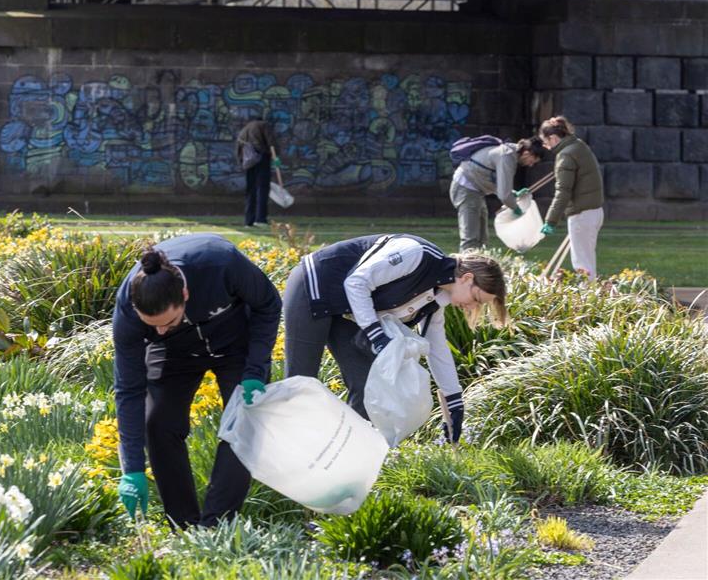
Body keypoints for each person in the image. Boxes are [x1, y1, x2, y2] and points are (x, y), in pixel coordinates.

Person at [112, 234, 281, 528]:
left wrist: (255, 370)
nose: (160, 331)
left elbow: (268, 303)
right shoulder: (129, 310)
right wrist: (133, 468)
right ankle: (184, 525)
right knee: (158, 422)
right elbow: (129, 389)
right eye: (153, 326)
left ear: (185, 296)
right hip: (175, 353)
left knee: (244, 421)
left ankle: (216, 526)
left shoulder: (221, 262)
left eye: (167, 322)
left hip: (234, 342)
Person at [283, 234, 507, 443]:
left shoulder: (437, 297)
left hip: (347, 309)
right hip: (315, 285)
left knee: (367, 386)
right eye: (477, 298)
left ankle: (348, 455)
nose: (473, 307)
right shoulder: (416, 253)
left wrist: (454, 400)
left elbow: (436, 347)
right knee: (301, 381)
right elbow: (357, 282)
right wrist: (376, 335)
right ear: (467, 278)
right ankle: (287, 448)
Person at [449, 137, 551, 252]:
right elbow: (504, 195)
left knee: (482, 239)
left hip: (475, 191)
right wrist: (516, 209)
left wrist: (513, 194)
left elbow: (495, 183)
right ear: (527, 153)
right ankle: (465, 269)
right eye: (532, 161)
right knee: (471, 239)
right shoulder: (507, 157)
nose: (530, 165)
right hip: (465, 189)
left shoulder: (509, 153)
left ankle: (479, 267)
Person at [538, 116, 605, 278]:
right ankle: (591, 296)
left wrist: (550, 221)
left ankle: (589, 299)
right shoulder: (578, 145)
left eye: (546, 142)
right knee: (587, 261)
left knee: (582, 264)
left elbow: (563, 191)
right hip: (594, 211)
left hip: (581, 214)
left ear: (553, 138)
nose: (547, 147)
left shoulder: (565, 155)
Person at [235, 119, 280, 228]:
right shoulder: (263, 125)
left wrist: (241, 162)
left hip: (248, 162)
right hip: (261, 159)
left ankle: (248, 221)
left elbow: (238, 148)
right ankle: (261, 219)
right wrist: (276, 158)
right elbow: (271, 143)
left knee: (251, 190)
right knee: (262, 189)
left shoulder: (244, 130)